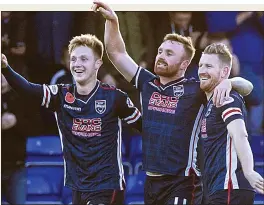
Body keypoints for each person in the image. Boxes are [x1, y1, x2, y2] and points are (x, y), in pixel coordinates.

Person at [92, 1, 253, 204]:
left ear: (184, 64)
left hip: (183, 183)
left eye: (169, 54)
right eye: (160, 51)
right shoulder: (147, 83)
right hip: (151, 182)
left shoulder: (196, 88)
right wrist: (112, 21)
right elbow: (117, 53)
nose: (161, 56)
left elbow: (247, 88)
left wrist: (229, 82)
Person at [1, 34, 141, 205]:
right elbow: (28, 90)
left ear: (98, 64)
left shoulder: (115, 97)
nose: (77, 64)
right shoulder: (60, 94)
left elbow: (145, 127)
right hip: (77, 186)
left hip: (106, 185)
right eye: (73, 59)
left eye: (84, 59)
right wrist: (6, 68)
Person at [198, 43, 264, 205]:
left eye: (208, 66)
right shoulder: (210, 101)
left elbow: (239, 134)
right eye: (200, 65)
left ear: (225, 72)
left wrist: (249, 171)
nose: (201, 70)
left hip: (230, 187)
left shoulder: (227, 98)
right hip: (217, 189)